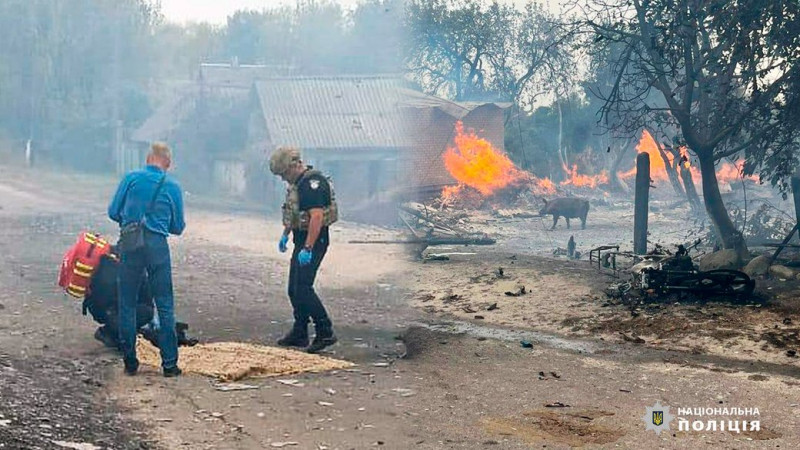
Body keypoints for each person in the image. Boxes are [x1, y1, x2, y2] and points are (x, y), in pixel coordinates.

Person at [108, 142, 185, 376]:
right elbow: (178, 227)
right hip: (158, 246)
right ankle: (170, 364)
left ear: (148, 158)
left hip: (131, 244)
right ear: (168, 164)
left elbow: (113, 211)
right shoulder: (172, 185)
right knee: (164, 303)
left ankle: (130, 360)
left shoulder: (131, 178)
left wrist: (130, 220)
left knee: (127, 302)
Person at [269, 146, 338, 353]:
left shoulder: (312, 184)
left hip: (314, 241)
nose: (283, 178)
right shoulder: (297, 184)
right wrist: (286, 234)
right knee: (293, 288)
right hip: (302, 239)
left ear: (293, 166)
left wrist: (308, 247)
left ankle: (325, 330)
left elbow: (316, 217)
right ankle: (300, 331)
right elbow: (294, 212)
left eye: (283, 174)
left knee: (304, 288)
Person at [84, 248, 198, 350]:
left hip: (98, 308)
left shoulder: (112, 257)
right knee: (146, 312)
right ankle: (110, 333)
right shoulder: (136, 269)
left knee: (141, 312)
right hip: (110, 311)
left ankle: (114, 330)